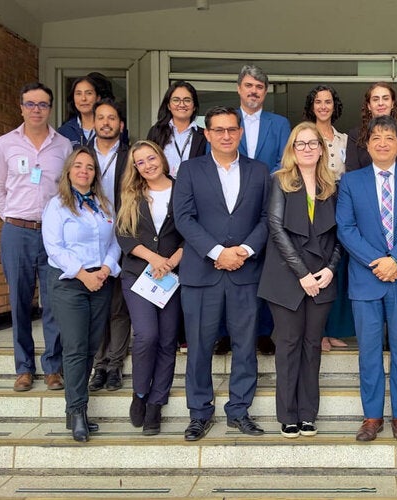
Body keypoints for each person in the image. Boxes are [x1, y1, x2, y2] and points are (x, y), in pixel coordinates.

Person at [173, 106, 269, 441]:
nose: (226, 135)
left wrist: (243, 251)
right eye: (218, 130)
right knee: (198, 347)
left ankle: (239, 411)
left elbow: (267, 219)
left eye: (232, 129)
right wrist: (217, 252)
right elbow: (183, 218)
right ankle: (199, 413)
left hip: (246, 271)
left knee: (245, 346)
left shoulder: (259, 171)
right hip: (202, 272)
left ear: (240, 133)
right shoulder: (189, 170)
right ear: (208, 134)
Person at [337, 115, 397, 443]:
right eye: (376, 137)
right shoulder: (351, 181)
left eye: (389, 138)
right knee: (369, 351)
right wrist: (377, 263)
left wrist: (396, 260)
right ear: (367, 144)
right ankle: (372, 416)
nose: (382, 143)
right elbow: (345, 229)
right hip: (367, 277)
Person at [258, 122, 342, 438]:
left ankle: (308, 414)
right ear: (292, 150)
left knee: (312, 346)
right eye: (300, 144)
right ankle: (288, 415)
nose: (306, 149)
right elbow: (276, 229)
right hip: (286, 278)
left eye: (312, 143)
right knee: (289, 345)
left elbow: (340, 234)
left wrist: (330, 269)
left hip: (322, 278)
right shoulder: (279, 181)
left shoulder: (332, 185)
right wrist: (303, 274)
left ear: (321, 148)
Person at [0, 82, 72, 392]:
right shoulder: (5, 143)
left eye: (42, 104)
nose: (36, 109)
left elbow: (66, 190)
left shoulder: (63, 145)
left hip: (51, 235)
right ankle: (23, 368)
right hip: (17, 231)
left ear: (50, 109)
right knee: (19, 301)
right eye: (30, 104)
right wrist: (11, 218)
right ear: (21, 107)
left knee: (53, 302)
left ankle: (53, 367)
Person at [41, 146, 121, 442]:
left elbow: (115, 242)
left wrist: (105, 269)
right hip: (70, 282)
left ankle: (75, 410)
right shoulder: (57, 205)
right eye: (78, 166)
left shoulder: (104, 204)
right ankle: (77, 411)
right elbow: (54, 248)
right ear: (69, 171)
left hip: (100, 281)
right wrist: (83, 274)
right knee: (74, 348)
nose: (84, 171)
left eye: (89, 167)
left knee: (90, 347)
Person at [116, 140, 183, 436]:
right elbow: (124, 236)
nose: (147, 165)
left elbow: (192, 231)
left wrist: (170, 262)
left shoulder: (182, 188)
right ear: (136, 168)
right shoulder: (130, 195)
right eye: (140, 162)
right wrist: (154, 259)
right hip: (137, 275)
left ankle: (156, 403)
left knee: (168, 340)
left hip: (173, 276)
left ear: (161, 157)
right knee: (147, 335)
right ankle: (140, 393)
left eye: (151, 157)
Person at [236, 64, 291, 356]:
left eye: (258, 87)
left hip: (270, 200)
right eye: (248, 86)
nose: (253, 91)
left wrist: (258, 179)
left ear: (265, 92)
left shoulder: (279, 123)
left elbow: (284, 161)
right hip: (231, 203)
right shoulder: (225, 119)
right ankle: (225, 333)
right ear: (239, 89)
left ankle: (264, 333)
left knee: (267, 269)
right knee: (230, 267)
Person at [86, 99, 132, 393]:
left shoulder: (130, 156)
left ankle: (115, 365)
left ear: (120, 125)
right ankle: (98, 365)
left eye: (111, 118)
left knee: (119, 306)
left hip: (123, 234)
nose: (105, 122)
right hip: (91, 238)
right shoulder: (82, 155)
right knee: (97, 306)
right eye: (100, 118)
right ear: (94, 123)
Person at [302, 84, 352, 351]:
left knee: (336, 266)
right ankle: (317, 332)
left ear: (335, 106)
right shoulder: (304, 136)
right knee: (315, 262)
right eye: (318, 101)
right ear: (312, 106)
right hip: (312, 202)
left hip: (340, 202)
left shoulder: (344, 139)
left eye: (328, 101)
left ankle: (333, 330)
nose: (323, 106)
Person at [345, 82, 397, 171]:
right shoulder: (355, 135)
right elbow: (352, 172)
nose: (380, 103)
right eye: (375, 99)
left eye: (385, 98)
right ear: (369, 106)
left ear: (392, 104)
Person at [146, 81, 208, 178]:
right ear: (168, 105)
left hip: (193, 191)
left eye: (187, 100)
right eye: (176, 100)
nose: (182, 104)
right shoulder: (156, 131)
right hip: (162, 189)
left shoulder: (204, 135)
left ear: (194, 106)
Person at [57, 76, 101, 148]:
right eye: (78, 94)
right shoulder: (64, 132)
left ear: (98, 98)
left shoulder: (107, 127)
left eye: (89, 93)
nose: (83, 98)